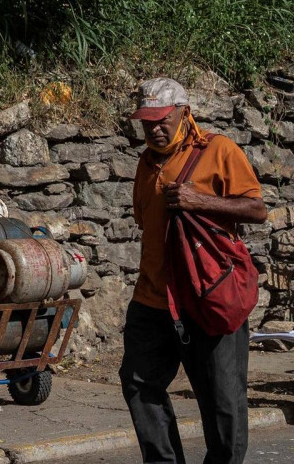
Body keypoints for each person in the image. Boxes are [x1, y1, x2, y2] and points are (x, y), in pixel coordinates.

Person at [120, 77, 267, 464]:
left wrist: (199, 201)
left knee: (223, 403)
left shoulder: (219, 151)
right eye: (146, 121)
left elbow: (257, 210)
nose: (153, 127)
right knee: (138, 384)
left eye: (161, 119)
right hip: (152, 300)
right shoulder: (145, 163)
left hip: (209, 296)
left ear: (185, 113)